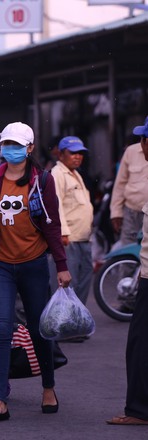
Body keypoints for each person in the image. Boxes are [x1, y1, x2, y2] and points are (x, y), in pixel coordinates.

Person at [0, 122, 71, 422]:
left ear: (29, 148)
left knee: (41, 328)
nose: (10, 150)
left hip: (34, 264)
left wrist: (62, 265)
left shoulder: (43, 180)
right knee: (1, 330)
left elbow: (52, 225)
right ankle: (1, 399)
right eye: (6, 144)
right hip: (0, 265)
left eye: (16, 145)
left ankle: (48, 387)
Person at [107, 121, 148, 425]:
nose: (142, 145)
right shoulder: (132, 156)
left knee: (140, 344)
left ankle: (139, 410)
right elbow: (120, 184)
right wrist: (116, 211)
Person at [50, 136, 94, 306]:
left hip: (83, 238)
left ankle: (77, 322)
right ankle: (64, 326)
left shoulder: (75, 174)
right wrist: (62, 232)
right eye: (73, 153)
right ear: (61, 154)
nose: (78, 157)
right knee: (67, 284)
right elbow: (56, 203)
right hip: (69, 240)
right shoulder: (57, 173)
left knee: (83, 281)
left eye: (80, 153)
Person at [110, 119, 148, 250]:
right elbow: (120, 184)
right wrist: (116, 213)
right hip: (132, 214)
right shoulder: (130, 152)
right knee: (128, 253)